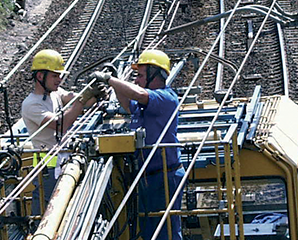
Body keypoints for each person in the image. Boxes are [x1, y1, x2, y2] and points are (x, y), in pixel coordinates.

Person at [90, 49, 185, 240]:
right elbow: (127, 104)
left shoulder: (165, 97)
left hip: (165, 174)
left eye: (140, 75)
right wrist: (116, 84)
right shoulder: (146, 104)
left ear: (155, 74)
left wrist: (110, 80)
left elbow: (140, 94)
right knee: (149, 229)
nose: (137, 80)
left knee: (166, 230)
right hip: (148, 175)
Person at [21, 49, 102, 215]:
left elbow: (76, 98)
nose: (60, 79)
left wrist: (95, 94)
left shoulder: (55, 94)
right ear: (40, 76)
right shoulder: (31, 104)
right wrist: (81, 100)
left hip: (66, 160)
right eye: (55, 76)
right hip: (49, 167)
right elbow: (60, 124)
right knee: (49, 212)